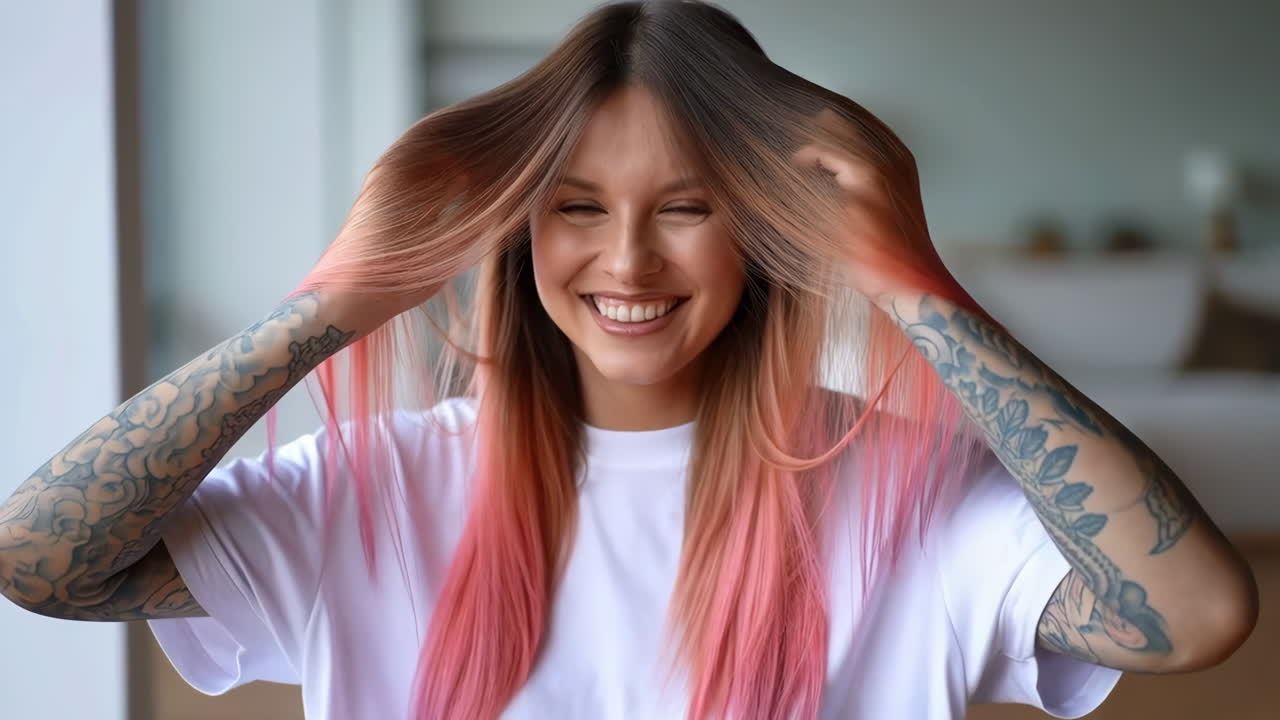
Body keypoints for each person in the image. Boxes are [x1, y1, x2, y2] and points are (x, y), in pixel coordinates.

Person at [0, 2, 1258, 719]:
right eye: (578, 206)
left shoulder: (911, 496)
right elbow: (40, 558)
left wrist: (907, 284)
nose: (629, 264)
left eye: (690, 205)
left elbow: (1196, 614)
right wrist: (334, 304)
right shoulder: (371, 486)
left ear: (765, 231)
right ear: (520, 229)